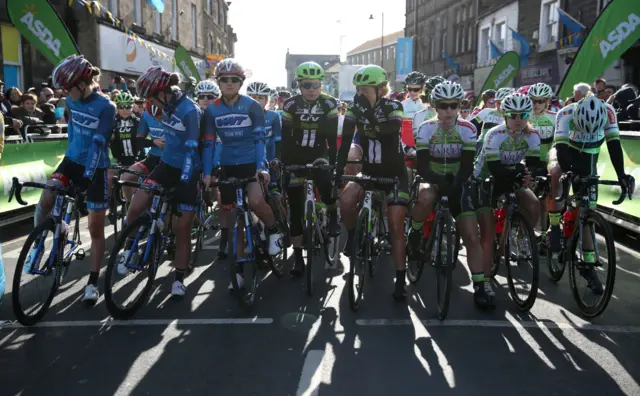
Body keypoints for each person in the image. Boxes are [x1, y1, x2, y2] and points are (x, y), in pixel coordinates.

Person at [28, 55, 115, 303]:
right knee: (47, 197)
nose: (64, 93)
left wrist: (87, 178)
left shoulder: (106, 107)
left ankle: (92, 282)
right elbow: (73, 131)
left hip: (96, 167)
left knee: (96, 229)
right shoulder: (70, 99)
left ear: (82, 83)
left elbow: (99, 145)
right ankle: (38, 244)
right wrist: (68, 160)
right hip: (72, 160)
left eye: (67, 88)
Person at [121, 66, 202, 298]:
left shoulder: (190, 110)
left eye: (151, 97)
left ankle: (178, 278)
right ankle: (129, 249)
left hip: (188, 168)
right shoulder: (164, 106)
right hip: (165, 165)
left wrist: (184, 182)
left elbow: (191, 148)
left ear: (163, 92)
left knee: (182, 227)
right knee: (137, 203)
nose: (149, 103)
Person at [201, 59, 283, 288]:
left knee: (256, 201)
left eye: (234, 79)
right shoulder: (212, 110)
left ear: (240, 82)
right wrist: (207, 173)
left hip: (251, 163)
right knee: (235, 214)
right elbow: (208, 144)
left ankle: (274, 230)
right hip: (228, 165)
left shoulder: (252, 106)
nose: (229, 83)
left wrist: (261, 167)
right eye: (224, 79)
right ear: (218, 82)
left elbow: (259, 140)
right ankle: (237, 269)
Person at [408, 81, 489, 309]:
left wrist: (455, 182)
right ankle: (414, 231)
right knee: (424, 197)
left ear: (460, 105)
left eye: (454, 105)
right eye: (443, 106)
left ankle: (481, 286)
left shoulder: (469, 129)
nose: (449, 111)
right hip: (432, 177)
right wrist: (437, 181)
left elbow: (466, 165)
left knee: (472, 237)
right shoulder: (426, 128)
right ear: (435, 106)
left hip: (457, 181)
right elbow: (422, 166)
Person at [336, 65, 409, 301]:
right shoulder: (354, 108)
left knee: (396, 225)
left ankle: (400, 278)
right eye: (358, 89)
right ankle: (352, 236)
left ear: (380, 89)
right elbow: (346, 141)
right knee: (346, 200)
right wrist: (338, 171)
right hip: (368, 172)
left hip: (394, 175)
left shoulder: (393, 106)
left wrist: (366, 113)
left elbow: (390, 132)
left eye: (365, 90)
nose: (360, 94)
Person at [549, 97, 634, 287]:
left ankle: (588, 264)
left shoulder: (609, 112)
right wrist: (569, 173)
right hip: (566, 150)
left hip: (589, 155)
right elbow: (561, 150)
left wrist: (621, 175)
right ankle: (554, 224)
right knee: (556, 172)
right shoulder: (565, 114)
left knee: (587, 210)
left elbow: (614, 145)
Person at [280, 61, 339, 276]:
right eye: (306, 85)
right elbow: (285, 138)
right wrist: (285, 163)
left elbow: (332, 139)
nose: (312, 89)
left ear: (321, 84)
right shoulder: (289, 105)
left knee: (325, 183)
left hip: (319, 153)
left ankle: (332, 215)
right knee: (295, 209)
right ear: (299, 85)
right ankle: (297, 257)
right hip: (296, 154)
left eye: (315, 84)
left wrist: (332, 162)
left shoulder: (330, 104)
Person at [526, 83, 556, 252]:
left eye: (540, 101)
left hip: (546, 164)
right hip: (529, 162)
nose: (536, 104)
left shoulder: (554, 117)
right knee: (530, 203)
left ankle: (544, 236)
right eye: (533, 101)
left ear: (547, 102)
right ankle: (524, 233)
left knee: (545, 203)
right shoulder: (525, 116)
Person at [109, 92, 142, 173]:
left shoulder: (138, 122)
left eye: (127, 106)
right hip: (119, 159)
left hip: (137, 159)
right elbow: (111, 143)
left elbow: (143, 142)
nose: (124, 110)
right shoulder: (113, 123)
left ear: (132, 107)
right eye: (121, 106)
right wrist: (116, 158)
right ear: (117, 107)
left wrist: (138, 158)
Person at [400, 71, 427, 155]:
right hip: (406, 149)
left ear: (422, 89)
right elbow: (398, 130)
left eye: (416, 89)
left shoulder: (427, 106)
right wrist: (406, 147)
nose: (412, 92)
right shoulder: (401, 105)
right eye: (409, 89)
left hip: (424, 148)